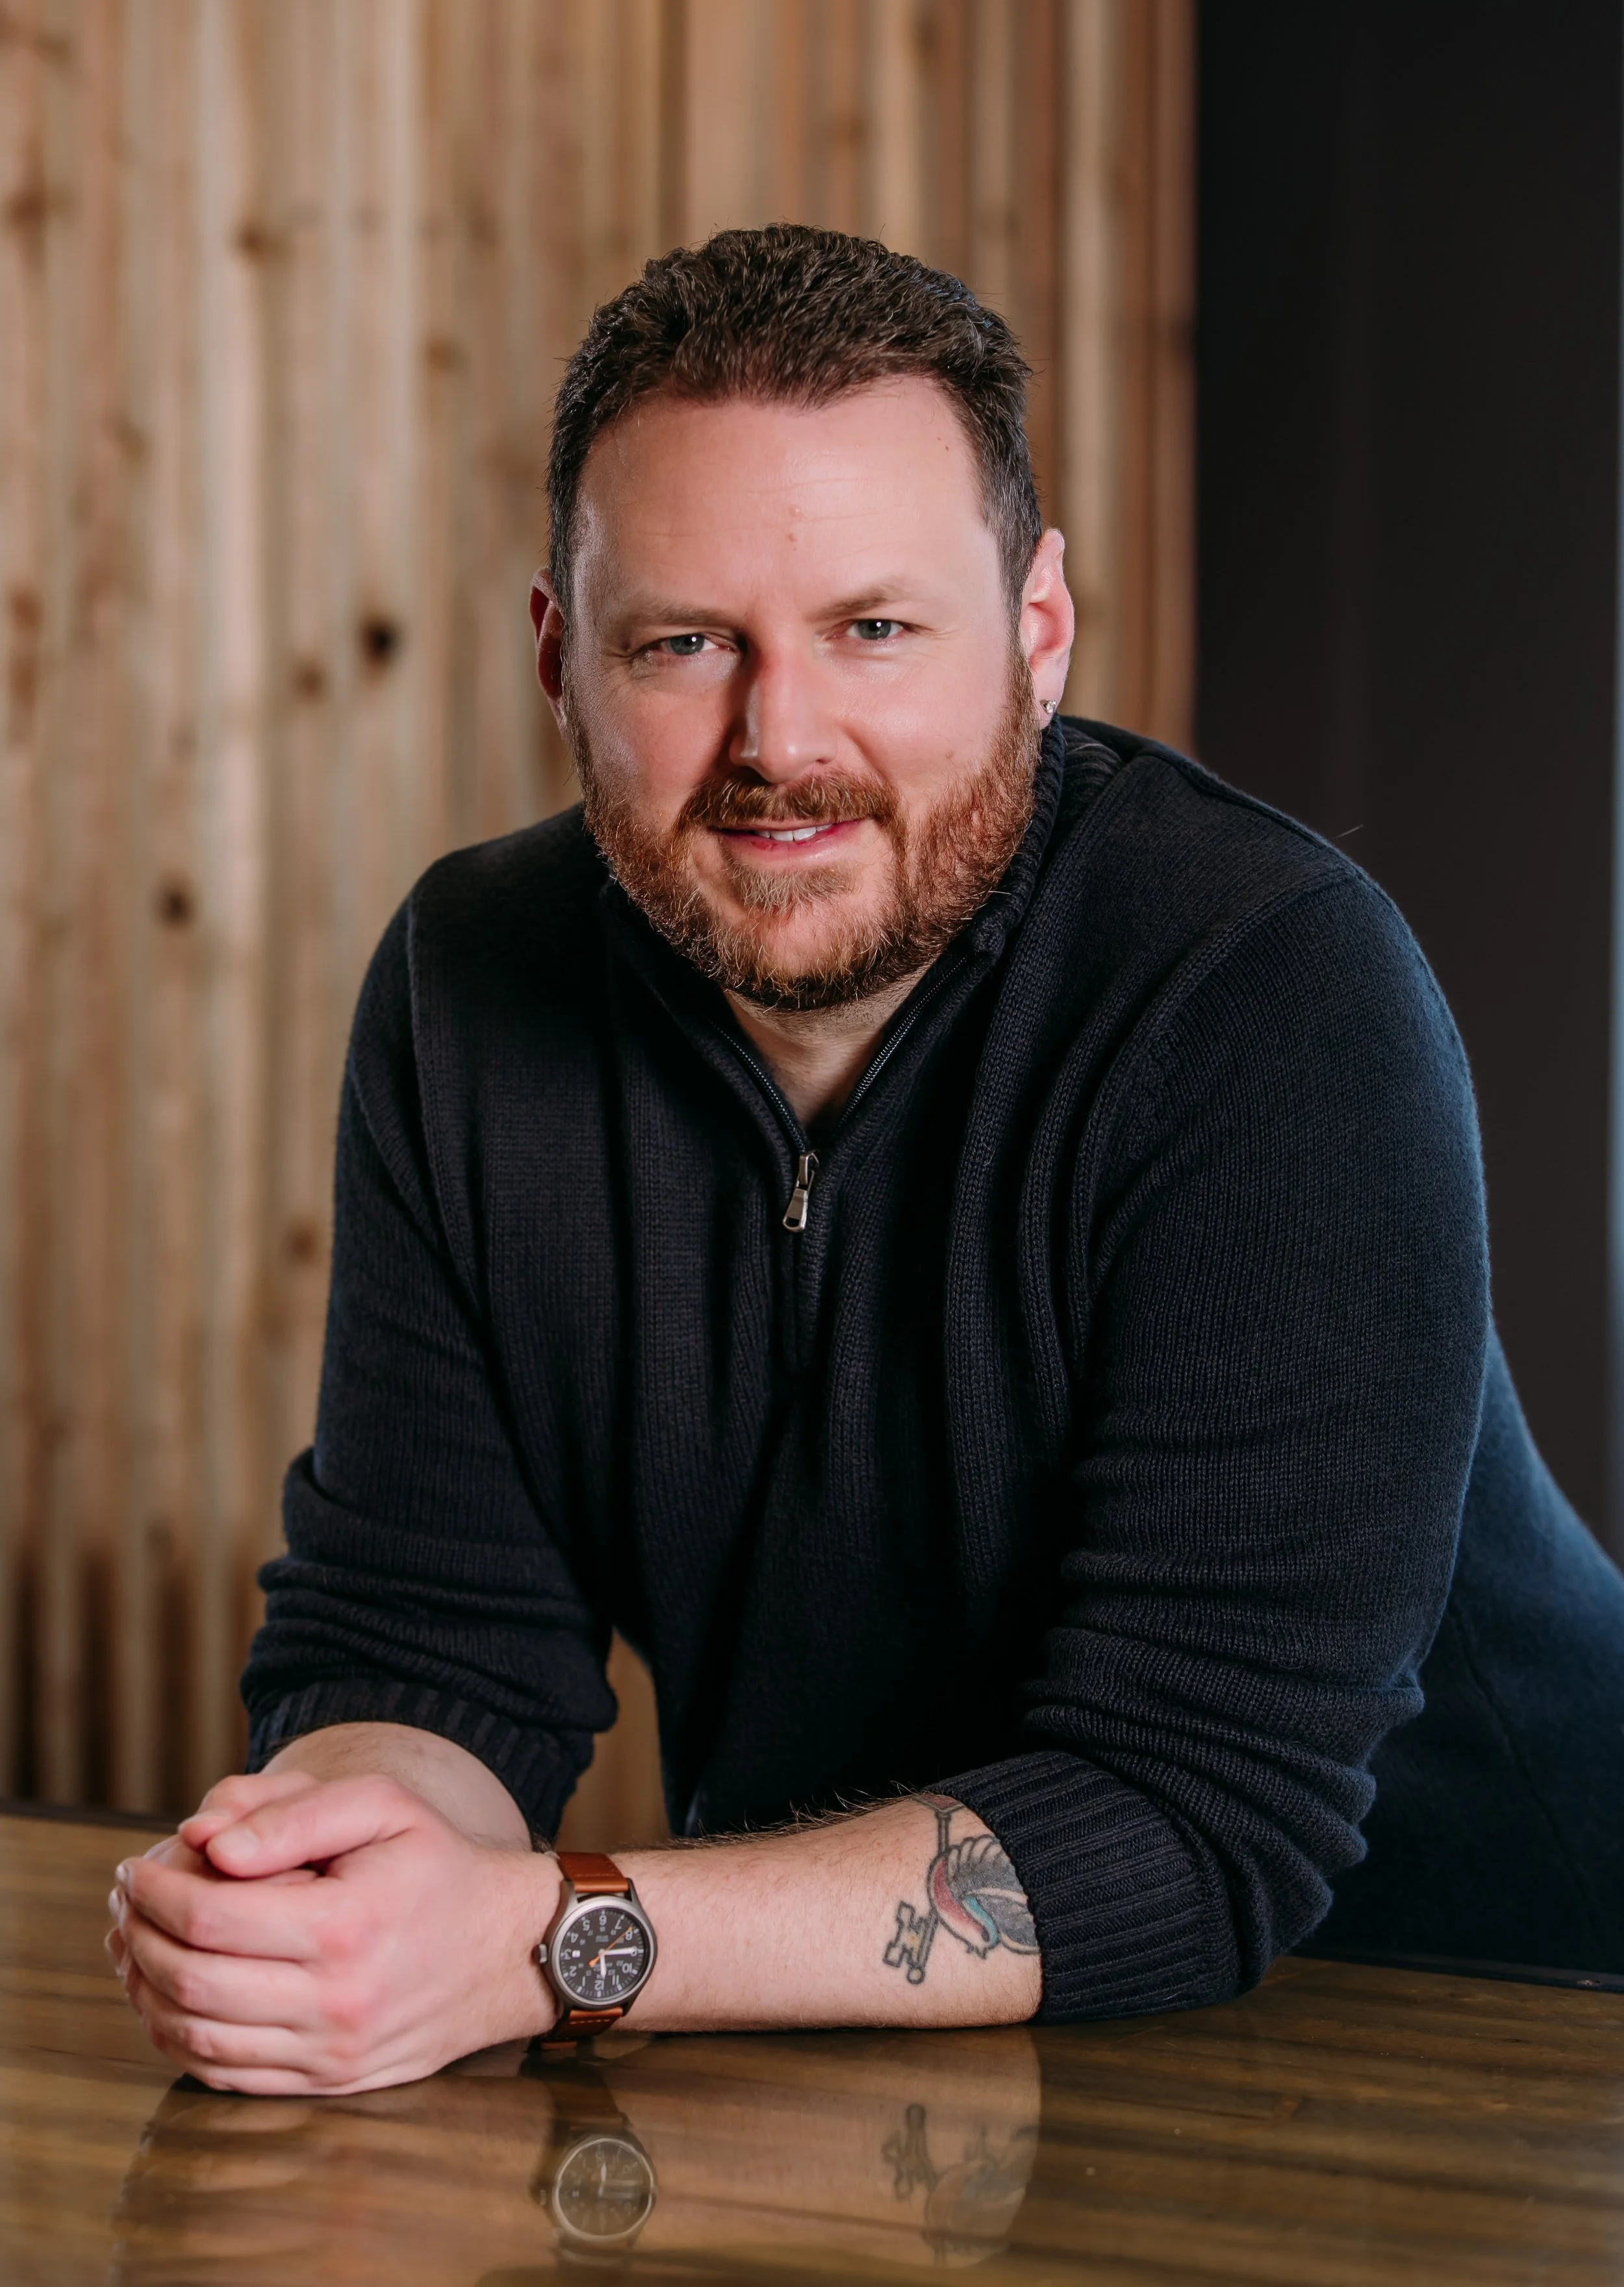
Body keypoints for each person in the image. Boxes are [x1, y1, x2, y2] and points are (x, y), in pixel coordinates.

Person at [107, 225, 1624, 2097]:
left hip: (1479, 2026)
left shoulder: (1274, 987)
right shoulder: (466, 987)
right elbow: (425, 1637)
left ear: (1039, 632)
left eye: (874, 629)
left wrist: (532, 1938)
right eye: (684, 644)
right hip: (870, 2056)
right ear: (559, 657)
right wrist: (317, 1873)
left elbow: (1190, 1813)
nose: (781, 740)